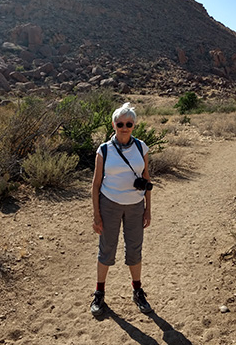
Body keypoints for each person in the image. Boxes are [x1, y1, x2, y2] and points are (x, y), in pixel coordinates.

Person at [91, 102, 152, 316]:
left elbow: (146, 180)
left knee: (134, 249)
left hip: (135, 206)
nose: (124, 127)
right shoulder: (104, 150)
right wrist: (96, 214)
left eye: (129, 123)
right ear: (113, 124)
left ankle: (137, 290)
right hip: (109, 204)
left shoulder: (141, 147)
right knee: (107, 248)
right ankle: (99, 293)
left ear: (134, 125)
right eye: (120, 123)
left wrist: (148, 209)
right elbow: (96, 184)